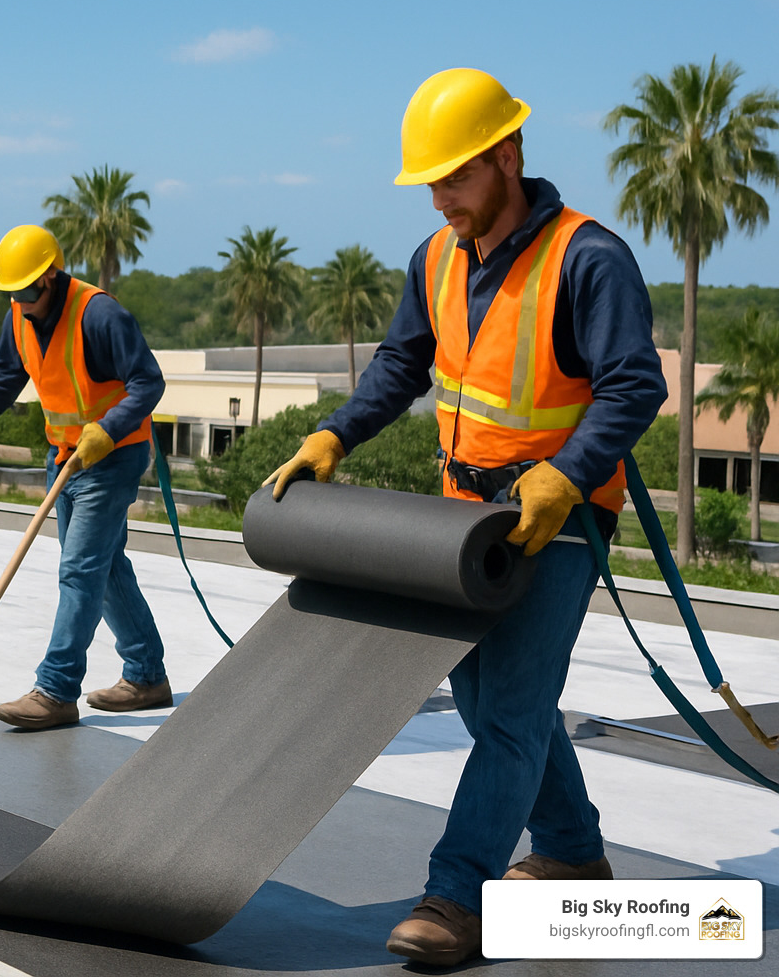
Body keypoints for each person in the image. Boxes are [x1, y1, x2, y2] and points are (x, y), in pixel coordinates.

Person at [263, 68, 667, 967]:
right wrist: (334, 437)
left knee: (513, 711)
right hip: (464, 521)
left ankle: (457, 896)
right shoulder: (436, 258)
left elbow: (636, 383)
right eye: (433, 182)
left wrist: (566, 474)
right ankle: (569, 849)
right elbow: (401, 364)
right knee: (490, 704)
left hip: (555, 517)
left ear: (509, 156)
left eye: (458, 178)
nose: (443, 198)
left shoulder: (587, 258)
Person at [0, 224, 169, 730]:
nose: (21, 302)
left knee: (80, 572)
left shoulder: (100, 314)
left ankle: (56, 689)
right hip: (64, 457)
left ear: (50, 276)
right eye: (12, 292)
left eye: (27, 290)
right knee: (104, 567)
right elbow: (5, 374)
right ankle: (147, 675)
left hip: (111, 457)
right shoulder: (20, 316)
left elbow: (148, 382)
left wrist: (108, 431)